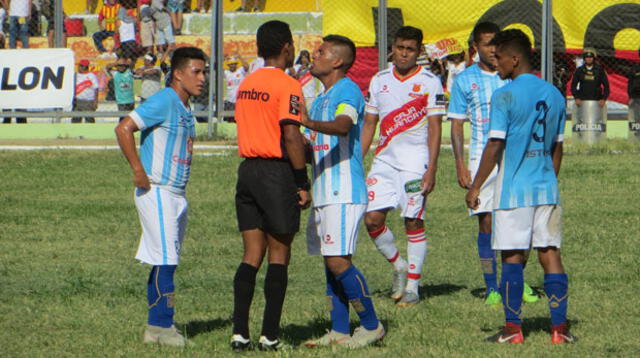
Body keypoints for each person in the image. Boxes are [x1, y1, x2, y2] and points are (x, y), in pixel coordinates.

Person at [465, 29, 576, 344]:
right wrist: (549, 179)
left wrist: (475, 187)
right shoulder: (554, 93)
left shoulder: (505, 95)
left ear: (515, 59)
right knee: (550, 253)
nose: (495, 62)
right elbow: (557, 147)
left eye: (498, 57)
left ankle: (513, 331)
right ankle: (559, 331)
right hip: (546, 188)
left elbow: (494, 145)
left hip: (514, 190)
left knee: (513, 257)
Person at [115, 46, 206, 347]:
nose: (203, 77)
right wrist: (138, 170)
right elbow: (124, 128)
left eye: (204, 71)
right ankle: (162, 327)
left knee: (165, 259)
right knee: (166, 260)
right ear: (178, 74)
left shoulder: (185, 107)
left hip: (177, 193)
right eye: (197, 71)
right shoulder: (166, 99)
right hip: (157, 190)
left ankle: (156, 328)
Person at [230, 20, 310, 352]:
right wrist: (301, 180)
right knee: (279, 254)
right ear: (287, 47)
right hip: (276, 173)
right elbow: (290, 134)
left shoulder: (246, 83)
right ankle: (270, 334)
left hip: (247, 171)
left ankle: (239, 332)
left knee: (251, 254)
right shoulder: (287, 84)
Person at [301, 34, 385, 349]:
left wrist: (306, 122)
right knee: (331, 261)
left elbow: (343, 125)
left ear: (337, 61)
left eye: (321, 51)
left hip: (343, 190)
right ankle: (338, 330)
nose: (314, 54)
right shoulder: (322, 96)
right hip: (324, 190)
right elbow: (320, 142)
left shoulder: (347, 90)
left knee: (338, 261)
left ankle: (371, 325)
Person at [448, 22, 539, 306]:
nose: (492, 50)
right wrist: (461, 165)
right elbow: (456, 125)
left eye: (495, 44)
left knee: (520, 221)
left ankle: (515, 281)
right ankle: (492, 288)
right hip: (480, 157)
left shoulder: (511, 74)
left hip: (515, 157)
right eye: (486, 44)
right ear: (475, 47)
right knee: (486, 222)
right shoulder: (465, 80)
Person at [361, 26, 446, 307]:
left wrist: (431, 168)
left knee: (413, 220)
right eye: (400, 48)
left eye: (410, 49)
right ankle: (398, 264)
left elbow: (435, 128)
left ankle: (413, 287)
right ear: (393, 48)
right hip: (384, 160)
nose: (404, 54)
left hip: (414, 163)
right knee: (371, 219)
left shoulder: (430, 82)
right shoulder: (379, 79)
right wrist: (357, 158)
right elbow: (370, 122)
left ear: (419, 52)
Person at [72, 59, 99, 123]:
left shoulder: (91, 76)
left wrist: (95, 101)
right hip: (77, 100)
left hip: (88, 101)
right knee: (76, 119)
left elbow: (96, 89)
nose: (79, 67)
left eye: (81, 66)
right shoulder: (75, 75)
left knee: (89, 119)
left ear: (85, 67)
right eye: (79, 66)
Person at [627, 48, 640, 122]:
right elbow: (630, 83)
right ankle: (638, 132)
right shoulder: (635, 68)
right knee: (637, 116)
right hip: (637, 97)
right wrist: (631, 96)